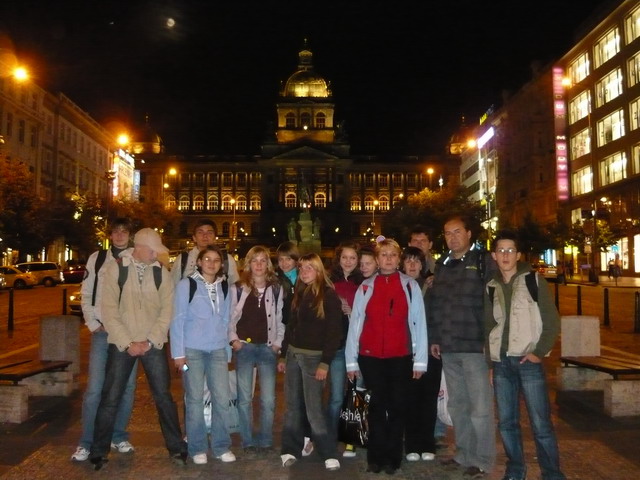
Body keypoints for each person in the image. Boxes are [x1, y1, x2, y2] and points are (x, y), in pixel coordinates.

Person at [89, 228, 187, 470]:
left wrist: (150, 341)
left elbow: (167, 311)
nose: (156, 255)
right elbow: (109, 311)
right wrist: (127, 343)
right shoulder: (116, 270)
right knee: (111, 397)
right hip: (123, 344)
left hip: (152, 343)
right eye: (153, 250)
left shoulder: (161, 273)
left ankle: (176, 448)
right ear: (140, 248)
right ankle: (98, 451)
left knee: (163, 397)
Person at [485, 230, 566, 480]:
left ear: (518, 255)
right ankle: (515, 470)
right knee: (506, 423)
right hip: (501, 363)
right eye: (501, 250)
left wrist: (538, 352)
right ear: (494, 255)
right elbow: (488, 327)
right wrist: (491, 363)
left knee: (540, 423)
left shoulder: (533, 280)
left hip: (527, 361)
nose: (505, 255)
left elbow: (552, 320)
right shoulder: (491, 286)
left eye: (510, 250)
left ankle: (552, 473)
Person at [345, 238, 428, 475]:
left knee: (398, 407)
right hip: (370, 357)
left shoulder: (410, 286)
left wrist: (420, 361)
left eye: (393, 255)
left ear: (398, 259)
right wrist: (351, 361)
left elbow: (419, 323)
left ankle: (393, 458)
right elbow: (356, 324)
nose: (388, 259)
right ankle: (375, 457)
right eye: (384, 255)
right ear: (377, 259)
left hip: (400, 356)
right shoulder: (365, 287)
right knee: (376, 408)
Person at [429, 215, 496, 478]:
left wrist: (489, 341)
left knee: (480, 407)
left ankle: (483, 459)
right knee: (457, 405)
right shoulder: (443, 265)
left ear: (469, 234)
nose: (452, 237)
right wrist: (435, 338)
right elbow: (437, 304)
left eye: (457, 232)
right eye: (448, 233)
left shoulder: (482, 261)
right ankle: (464, 454)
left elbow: (493, 303)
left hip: (474, 345)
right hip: (449, 345)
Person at [71, 218, 137, 462]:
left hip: (128, 333)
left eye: (124, 231)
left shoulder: (137, 258)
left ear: (130, 235)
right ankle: (87, 442)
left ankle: (118, 435)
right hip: (103, 332)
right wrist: (92, 323)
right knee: (95, 389)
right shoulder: (97, 258)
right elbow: (86, 292)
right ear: (110, 235)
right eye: (116, 231)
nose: (119, 235)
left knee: (126, 388)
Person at [170, 245, 235, 465]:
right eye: (207, 259)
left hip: (217, 350)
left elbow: (226, 319)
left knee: (222, 398)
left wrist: (226, 350)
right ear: (199, 262)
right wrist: (178, 355)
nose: (211, 263)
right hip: (192, 352)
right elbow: (177, 320)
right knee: (194, 399)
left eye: (216, 260)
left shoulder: (224, 286)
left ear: (221, 264)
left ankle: (220, 445)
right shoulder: (186, 285)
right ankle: (197, 447)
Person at [278, 253, 343, 471]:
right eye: (302, 268)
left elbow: (334, 332)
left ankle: (328, 452)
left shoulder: (328, 295)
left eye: (309, 268)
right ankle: (290, 449)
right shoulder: (298, 293)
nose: (304, 272)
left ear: (318, 270)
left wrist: (325, 362)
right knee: (292, 407)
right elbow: (291, 327)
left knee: (314, 408)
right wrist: (283, 354)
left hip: (313, 358)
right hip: (294, 356)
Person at [229, 246, 285, 452]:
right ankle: (247, 440)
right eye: (255, 260)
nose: (259, 265)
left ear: (268, 264)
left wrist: (278, 343)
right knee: (244, 398)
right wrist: (234, 340)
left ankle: (265, 439)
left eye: (263, 260)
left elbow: (280, 318)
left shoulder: (276, 288)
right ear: (248, 264)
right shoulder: (238, 288)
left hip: (267, 348)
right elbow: (229, 317)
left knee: (268, 399)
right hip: (245, 347)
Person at [400, 246, 439, 463]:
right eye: (408, 261)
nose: (413, 265)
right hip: (406, 350)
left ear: (423, 265)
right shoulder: (399, 285)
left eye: (416, 261)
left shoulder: (431, 286)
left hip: (430, 349)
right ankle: (412, 444)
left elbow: (439, 315)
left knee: (428, 398)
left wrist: (436, 340)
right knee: (409, 398)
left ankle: (427, 443)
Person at [328, 242, 362, 457]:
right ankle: (331, 437)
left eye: (352, 258)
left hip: (358, 345)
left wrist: (352, 311)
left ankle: (352, 438)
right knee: (336, 396)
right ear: (338, 259)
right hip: (338, 345)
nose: (348, 261)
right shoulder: (330, 282)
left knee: (356, 393)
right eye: (344, 257)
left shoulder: (363, 282)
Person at [172, 219, 239, 285]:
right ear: (194, 238)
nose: (205, 236)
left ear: (215, 238)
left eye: (209, 233)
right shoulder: (183, 259)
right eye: (200, 232)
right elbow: (173, 286)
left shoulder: (226, 259)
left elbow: (236, 287)